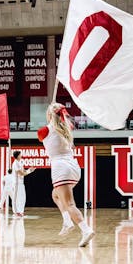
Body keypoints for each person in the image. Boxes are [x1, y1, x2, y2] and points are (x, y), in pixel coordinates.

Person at [38, 102, 94, 247]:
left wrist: (50, 117)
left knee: (69, 204)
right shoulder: (67, 128)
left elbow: (42, 135)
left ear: (49, 115)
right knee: (55, 195)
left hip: (60, 167)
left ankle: (86, 230)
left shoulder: (43, 130)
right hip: (74, 167)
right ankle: (67, 221)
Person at [11, 150, 35, 218]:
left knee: (23, 198)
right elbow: (21, 173)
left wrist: (30, 170)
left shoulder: (20, 163)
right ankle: (16, 212)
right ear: (17, 156)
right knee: (16, 198)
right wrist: (29, 171)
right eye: (20, 154)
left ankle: (21, 212)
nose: (21, 156)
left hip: (21, 183)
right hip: (16, 183)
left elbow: (24, 171)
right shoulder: (15, 164)